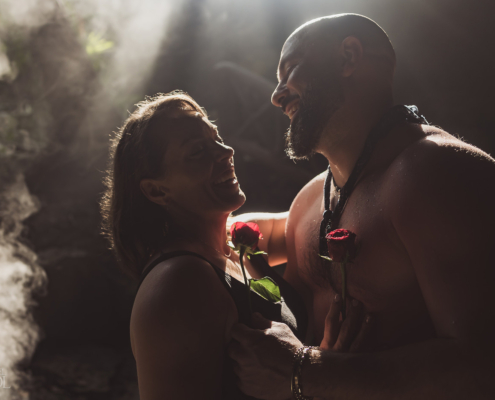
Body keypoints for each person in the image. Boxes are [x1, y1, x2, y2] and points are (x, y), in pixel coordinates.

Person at [228, 13, 495, 399]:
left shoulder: (437, 173)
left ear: (348, 58)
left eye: (290, 71)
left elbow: (485, 363)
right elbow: (254, 234)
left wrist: (309, 373)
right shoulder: (309, 201)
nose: (277, 94)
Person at [100, 91, 368, 399]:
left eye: (216, 137)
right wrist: (314, 377)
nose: (225, 151)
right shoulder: (177, 283)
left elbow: (319, 214)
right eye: (198, 151)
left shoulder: (236, 239)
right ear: (157, 191)